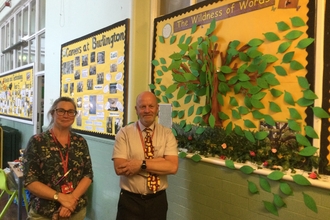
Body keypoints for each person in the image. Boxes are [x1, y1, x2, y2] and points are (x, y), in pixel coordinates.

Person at [23, 96, 93, 220]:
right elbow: (30, 181)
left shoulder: (80, 141)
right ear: (52, 113)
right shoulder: (37, 141)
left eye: (70, 111)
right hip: (44, 212)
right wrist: (61, 197)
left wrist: (71, 200)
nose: (66, 115)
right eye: (61, 111)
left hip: (74, 210)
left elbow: (88, 175)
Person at [112, 91, 178, 220]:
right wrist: (159, 162)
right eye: (143, 107)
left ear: (157, 108)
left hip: (157, 201)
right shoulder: (124, 133)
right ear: (136, 110)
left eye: (151, 106)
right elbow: (119, 168)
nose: (147, 110)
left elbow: (172, 167)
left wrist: (140, 164)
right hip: (130, 201)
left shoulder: (167, 134)